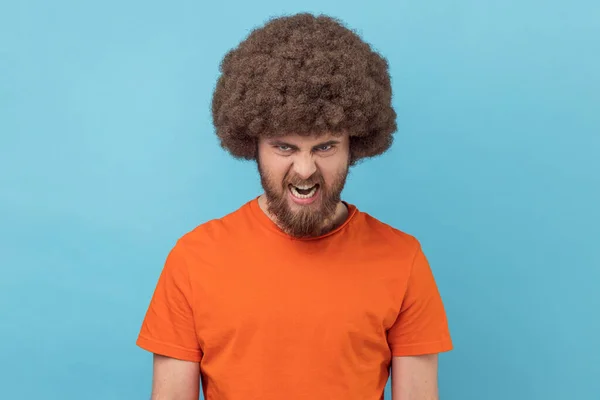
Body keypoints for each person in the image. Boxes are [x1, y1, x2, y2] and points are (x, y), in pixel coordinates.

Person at [136, 12, 453, 400]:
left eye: (325, 147)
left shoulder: (403, 260)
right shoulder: (194, 259)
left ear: (355, 144)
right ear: (251, 143)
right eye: (284, 147)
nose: (305, 170)